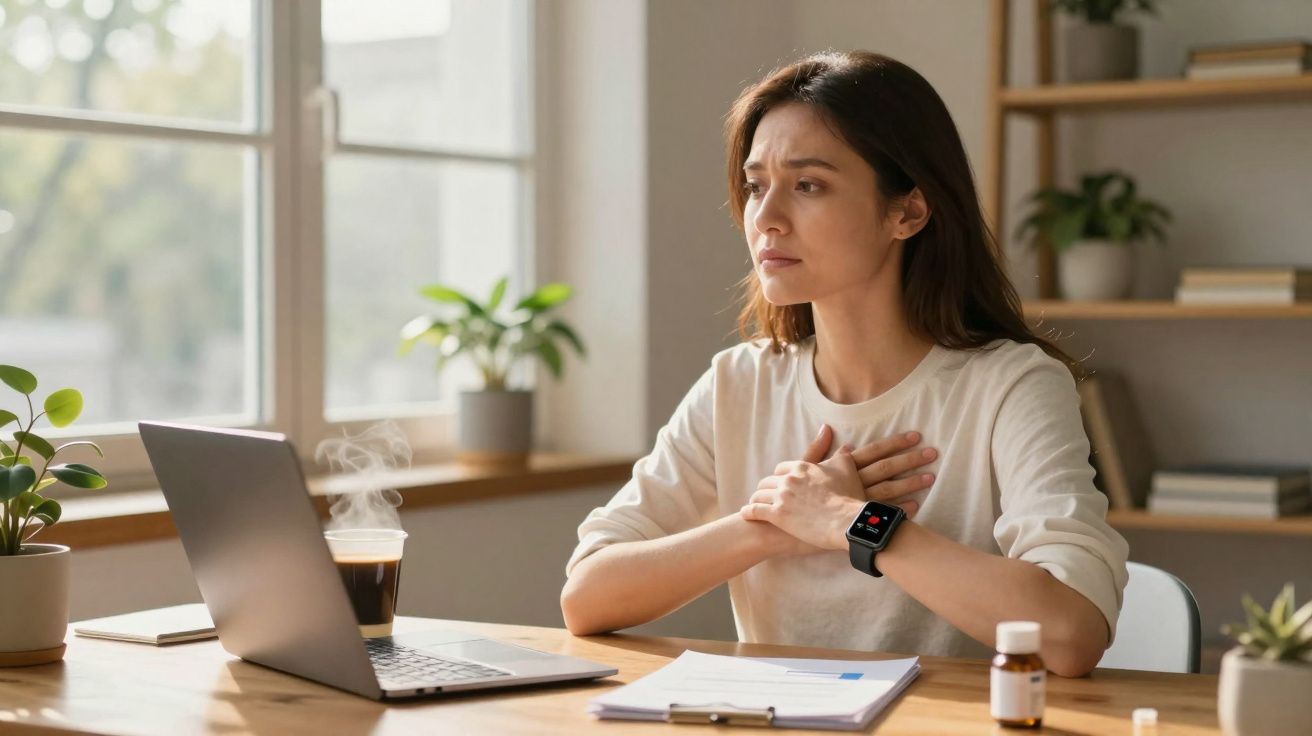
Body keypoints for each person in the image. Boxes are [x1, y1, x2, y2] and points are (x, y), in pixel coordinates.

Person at [559, 50, 1129, 678]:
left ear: (907, 212)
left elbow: (1071, 632)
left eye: (808, 185)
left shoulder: (1011, 385)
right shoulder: (738, 382)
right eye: (755, 186)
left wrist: (858, 524)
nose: (766, 218)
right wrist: (773, 524)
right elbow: (586, 597)